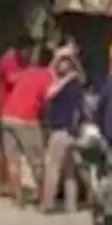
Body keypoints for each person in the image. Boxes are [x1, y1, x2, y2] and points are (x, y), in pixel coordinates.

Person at [0, 47, 53, 208]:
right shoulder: (47, 76)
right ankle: (43, 197)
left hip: (7, 115)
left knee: (13, 159)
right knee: (36, 159)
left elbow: (11, 80)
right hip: (26, 118)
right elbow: (47, 100)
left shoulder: (27, 72)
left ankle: (19, 198)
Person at [41, 46, 86, 213]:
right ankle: (71, 205)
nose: (61, 66)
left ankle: (47, 203)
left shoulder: (69, 83)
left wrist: (60, 56)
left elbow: (49, 92)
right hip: (72, 131)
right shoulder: (76, 82)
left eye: (65, 63)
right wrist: (60, 55)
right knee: (69, 170)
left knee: (52, 167)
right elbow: (50, 73)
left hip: (62, 129)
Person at [0, 36, 35, 199]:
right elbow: (12, 79)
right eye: (27, 51)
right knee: (4, 148)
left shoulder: (25, 62)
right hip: (4, 107)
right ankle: (3, 183)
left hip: (17, 108)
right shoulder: (9, 60)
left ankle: (9, 181)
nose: (29, 55)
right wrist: (31, 74)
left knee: (12, 148)